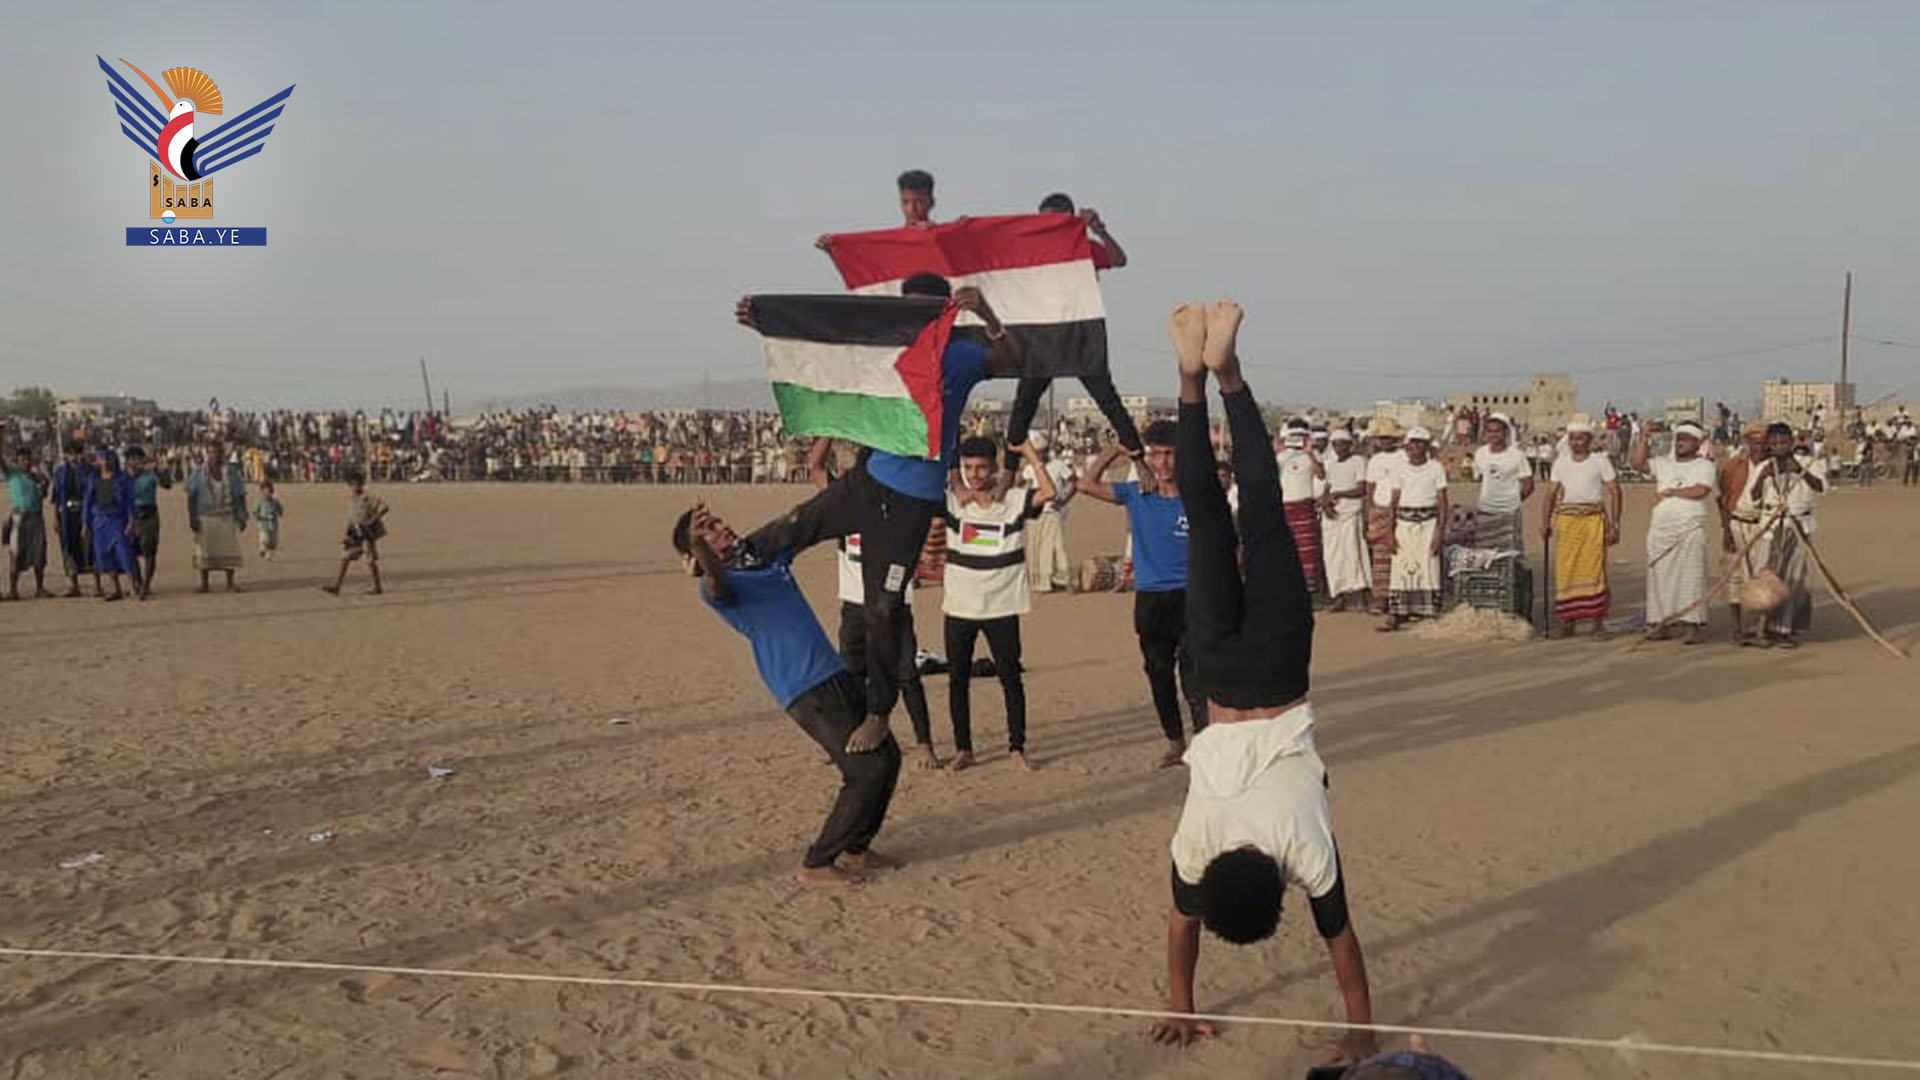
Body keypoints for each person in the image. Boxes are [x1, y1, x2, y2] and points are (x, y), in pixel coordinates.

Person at [1149, 300, 1376, 1069]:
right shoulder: (1197, 843)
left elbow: (1341, 940)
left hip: (1280, 672)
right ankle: (1190, 379)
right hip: (1218, 675)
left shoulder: (1306, 852)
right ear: (1214, 873)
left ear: (1279, 883)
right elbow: (1180, 924)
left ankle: (1229, 375)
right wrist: (1178, 1000)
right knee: (1210, 521)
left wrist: (1363, 1032)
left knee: (1266, 522)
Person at [733, 276, 1018, 755]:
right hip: (866, 481)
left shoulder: (960, 356)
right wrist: (769, 323)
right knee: (794, 526)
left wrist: (985, 313)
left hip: (909, 503)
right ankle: (726, 561)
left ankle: (879, 714)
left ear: (940, 312)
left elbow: (1012, 359)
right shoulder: (881, 351)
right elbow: (826, 345)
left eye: (921, 311)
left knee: (883, 608)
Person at [674, 503, 902, 887]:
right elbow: (716, 583)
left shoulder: (761, 559)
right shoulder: (719, 586)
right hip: (804, 687)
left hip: (834, 670)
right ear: (695, 550)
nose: (722, 525)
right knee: (864, 772)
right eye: (709, 528)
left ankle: (856, 849)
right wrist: (701, 552)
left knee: (889, 758)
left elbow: (808, 526)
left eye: (717, 520)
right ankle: (816, 862)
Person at [804, 437, 940, 772]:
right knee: (851, 676)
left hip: (893, 603)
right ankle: (848, 737)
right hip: (853, 603)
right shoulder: (843, 502)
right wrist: (831, 429)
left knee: (907, 675)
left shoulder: (900, 501)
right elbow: (816, 467)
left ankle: (925, 745)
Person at [1079, 421, 1208, 770]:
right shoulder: (1136, 493)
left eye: (1169, 455)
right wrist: (1120, 450)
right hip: (1151, 600)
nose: (1162, 463)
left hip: (1190, 597)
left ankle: (1205, 743)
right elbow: (1085, 484)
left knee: (1195, 675)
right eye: (1155, 455)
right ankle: (1175, 743)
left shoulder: (1197, 498)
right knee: (1159, 673)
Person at [941, 437, 1056, 773]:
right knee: (957, 680)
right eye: (969, 468)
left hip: (1003, 606)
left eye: (981, 468)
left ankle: (1016, 749)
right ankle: (964, 749)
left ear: (994, 468)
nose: (975, 475)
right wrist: (954, 481)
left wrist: (1030, 455)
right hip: (960, 607)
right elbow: (919, 490)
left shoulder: (1015, 500)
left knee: (1010, 679)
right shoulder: (952, 502)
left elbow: (1049, 493)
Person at [1002, 192, 1143, 458]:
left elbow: (1119, 259)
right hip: (1044, 336)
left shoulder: (1084, 249)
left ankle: (1137, 456)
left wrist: (1099, 230)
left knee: (1107, 399)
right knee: (1024, 403)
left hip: (1079, 336)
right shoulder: (1033, 252)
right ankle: (1010, 468)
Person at [1632, 421, 1718, 644]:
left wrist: (1670, 492)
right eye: (1678, 438)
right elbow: (1638, 464)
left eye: (1686, 439)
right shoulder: (1663, 463)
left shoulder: (1704, 466)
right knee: (1659, 578)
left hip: (1689, 528)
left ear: (1697, 443)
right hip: (1661, 530)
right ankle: (1659, 623)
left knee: (1691, 579)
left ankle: (1692, 625)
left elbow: (1701, 490)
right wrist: (1644, 438)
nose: (1680, 443)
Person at [1541, 416, 1621, 639]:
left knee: (1595, 571)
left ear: (1589, 440)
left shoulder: (1600, 461)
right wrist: (1544, 522)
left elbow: (1615, 491)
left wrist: (1615, 524)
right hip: (1567, 521)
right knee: (1566, 571)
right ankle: (1567, 623)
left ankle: (1597, 624)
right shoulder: (1561, 463)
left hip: (1593, 520)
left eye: (1581, 438)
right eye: (1573, 438)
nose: (1576, 442)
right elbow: (1550, 494)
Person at [1750, 422, 1824, 648]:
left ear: (1791, 442)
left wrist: (1800, 472)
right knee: (1767, 578)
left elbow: (1820, 487)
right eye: (1774, 443)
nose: (1779, 447)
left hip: (1798, 525)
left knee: (1793, 578)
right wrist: (1763, 477)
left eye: (1783, 442)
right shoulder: (1764, 466)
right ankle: (1761, 629)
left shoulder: (1808, 462)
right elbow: (1753, 496)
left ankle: (1783, 630)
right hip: (1771, 526)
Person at [1380, 429, 1448, 632]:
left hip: (1428, 523)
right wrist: (1390, 532)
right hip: (1404, 523)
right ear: (1407, 446)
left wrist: (1440, 531)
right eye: (1413, 443)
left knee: (1429, 567)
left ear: (1427, 446)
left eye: (1420, 443)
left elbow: (1443, 501)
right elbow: (1393, 502)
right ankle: (1397, 612)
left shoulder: (1436, 468)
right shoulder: (1399, 469)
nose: (1415, 447)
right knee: (1401, 568)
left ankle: (1428, 611)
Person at [1717, 422, 1771, 645]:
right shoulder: (1733, 466)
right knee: (1735, 579)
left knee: (1762, 578)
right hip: (1736, 524)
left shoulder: (1775, 466)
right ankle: (1737, 628)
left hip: (1763, 526)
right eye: (1754, 441)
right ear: (1747, 442)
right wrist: (1726, 531)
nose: (1758, 446)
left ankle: (1759, 629)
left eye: (1762, 442)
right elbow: (1722, 499)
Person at [815, 168, 936, 251]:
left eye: (919, 202)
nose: (912, 208)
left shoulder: (939, 237)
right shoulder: (890, 242)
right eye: (905, 202)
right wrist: (834, 249)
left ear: (931, 202)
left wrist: (933, 234)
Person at [1319, 428, 1371, 611]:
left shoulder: (1358, 461)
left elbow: (1361, 489)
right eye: (1335, 444)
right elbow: (1326, 490)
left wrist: (1339, 494)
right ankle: (1339, 597)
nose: (1338, 447)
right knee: (1333, 557)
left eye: (1342, 443)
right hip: (1332, 517)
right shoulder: (1331, 464)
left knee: (1354, 554)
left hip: (1350, 514)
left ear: (1350, 445)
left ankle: (1362, 598)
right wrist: (1326, 505)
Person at [1279, 422, 1329, 608]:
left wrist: (1308, 452)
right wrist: (1281, 450)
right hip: (1286, 507)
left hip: (1305, 506)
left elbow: (1321, 475)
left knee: (1308, 552)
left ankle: (1311, 594)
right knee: (1287, 551)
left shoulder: (1312, 456)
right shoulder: (1281, 457)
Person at [186, 440, 247, 594]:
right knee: (204, 551)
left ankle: (230, 583)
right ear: (207, 453)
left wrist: (242, 516)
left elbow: (240, 495)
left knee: (229, 550)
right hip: (205, 516)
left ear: (222, 454)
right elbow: (191, 496)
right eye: (211, 452)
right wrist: (192, 518)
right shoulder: (199, 473)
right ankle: (204, 584)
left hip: (226, 516)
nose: (214, 456)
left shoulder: (231, 472)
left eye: (217, 452)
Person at [1020, 434, 1076, 594]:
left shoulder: (1058, 465)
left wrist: (1064, 499)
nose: (1039, 455)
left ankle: (1063, 579)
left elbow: (1074, 481)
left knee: (1057, 546)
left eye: (1041, 451)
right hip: (1034, 512)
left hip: (1052, 511)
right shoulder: (1030, 468)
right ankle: (1041, 583)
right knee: (1035, 547)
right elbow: (1020, 482)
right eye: (1036, 452)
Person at [83, 449, 140, 602]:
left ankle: (133, 587)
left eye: (109, 459)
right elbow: (88, 502)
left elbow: (129, 501)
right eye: (103, 459)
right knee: (103, 554)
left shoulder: (123, 478)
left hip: (117, 520)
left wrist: (131, 520)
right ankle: (116, 589)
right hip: (99, 521)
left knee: (124, 553)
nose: (106, 462)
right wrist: (85, 523)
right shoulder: (93, 479)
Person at [1361, 420, 1406, 616]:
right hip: (1379, 511)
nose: (1384, 441)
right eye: (1381, 438)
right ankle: (1380, 599)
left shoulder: (1404, 457)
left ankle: (1399, 600)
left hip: (1401, 510)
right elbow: (1370, 489)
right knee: (1379, 559)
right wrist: (1370, 511)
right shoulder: (1375, 460)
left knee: (1400, 556)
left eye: (1388, 437)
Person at [1470, 412, 1532, 550]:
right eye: (1490, 431)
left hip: (1510, 511)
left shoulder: (1517, 456)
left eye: (1497, 431)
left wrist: (1512, 499)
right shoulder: (1480, 453)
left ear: (1505, 432)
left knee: (1510, 552)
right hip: (1485, 509)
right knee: (1485, 551)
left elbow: (1528, 485)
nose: (1493, 435)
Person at [323, 471, 387, 596]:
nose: (355, 487)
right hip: (355, 531)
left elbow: (384, 507)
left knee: (370, 560)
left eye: (357, 484)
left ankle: (377, 586)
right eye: (353, 485)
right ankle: (337, 586)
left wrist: (372, 520)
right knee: (346, 557)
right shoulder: (353, 498)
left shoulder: (367, 497)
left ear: (362, 484)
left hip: (368, 531)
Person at [2, 443, 49, 600]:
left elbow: (44, 495)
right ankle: (13, 590)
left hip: (36, 517)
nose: (26, 462)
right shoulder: (12, 474)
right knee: (16, 553)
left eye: (27, 459)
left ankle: (40, 588)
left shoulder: (38, 477)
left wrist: (44, 485)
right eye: (22, 459)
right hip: (19, 518)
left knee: (39, 554)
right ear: (17, 461)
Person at [50, 442, 94, 597]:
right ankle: (74, 585)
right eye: (72, 454)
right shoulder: (60, 472)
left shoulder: (90, 471)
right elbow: (56, 496)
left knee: (89, 547)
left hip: (86, 512)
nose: (75, 457)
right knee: (68, 547)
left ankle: (98, 584)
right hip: (66, 514)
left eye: (78, 453)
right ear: (66, 456)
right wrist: (55, 517)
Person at [125, 446, 169, 599]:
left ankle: (146, 585)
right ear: (127, 461)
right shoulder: (124, 478)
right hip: (131, 517)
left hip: (149, 514)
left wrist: (159, 470)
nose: (135, 462)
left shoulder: (150, 475)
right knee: (130, 552)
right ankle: (138, 581)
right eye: (132, 459)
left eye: (138, 458)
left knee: (148, 551)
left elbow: (167, 484)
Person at [254, 481, 285, 560]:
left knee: (273, 541)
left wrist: (280, 513)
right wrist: (258, 516)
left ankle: (269, 554)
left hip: (273, 524)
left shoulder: (275, 501)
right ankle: (262, 548)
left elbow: (280, 509)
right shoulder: (260, 501)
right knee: (265, 538)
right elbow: (255, 511)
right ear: (261, 492)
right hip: (263, 523)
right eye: (264, 491)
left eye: (269, 491)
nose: (266, 494)